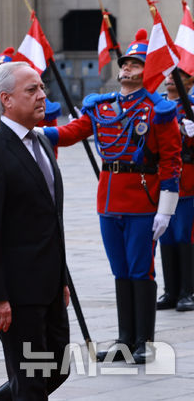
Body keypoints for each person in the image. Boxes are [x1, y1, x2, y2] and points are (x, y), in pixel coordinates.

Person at [40, 29, 182, 364]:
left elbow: (171, 162)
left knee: (140, 270)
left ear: (148, 70)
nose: (128, 68)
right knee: (120, 270)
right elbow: (70, 133)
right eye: (126, 63)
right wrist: (33, 130)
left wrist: (166, 208)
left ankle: (143, 341)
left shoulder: (158, 111)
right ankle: (124, 340)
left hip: (143, 201)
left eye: (136, 64)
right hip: (109, 199)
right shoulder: (102, 107)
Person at [0, 61, 70, 400]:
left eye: (42, 88)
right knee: (31, 381)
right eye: (32, 90)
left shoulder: (39, 141)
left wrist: (62, 278)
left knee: (58, 367)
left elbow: (50, 221)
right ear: (7, 100)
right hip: (17, 291)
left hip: (49, 285)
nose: (43, 95)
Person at [157, 69, 194, 312]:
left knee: (184, 235)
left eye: (179, 76)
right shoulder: (159, 105)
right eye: (170, 75)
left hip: (187, 180)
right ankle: (170, 291)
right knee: (166, 236)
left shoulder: (191, 107)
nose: (171, 78)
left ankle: (187, 291)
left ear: (190, 81)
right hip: (162, 179)